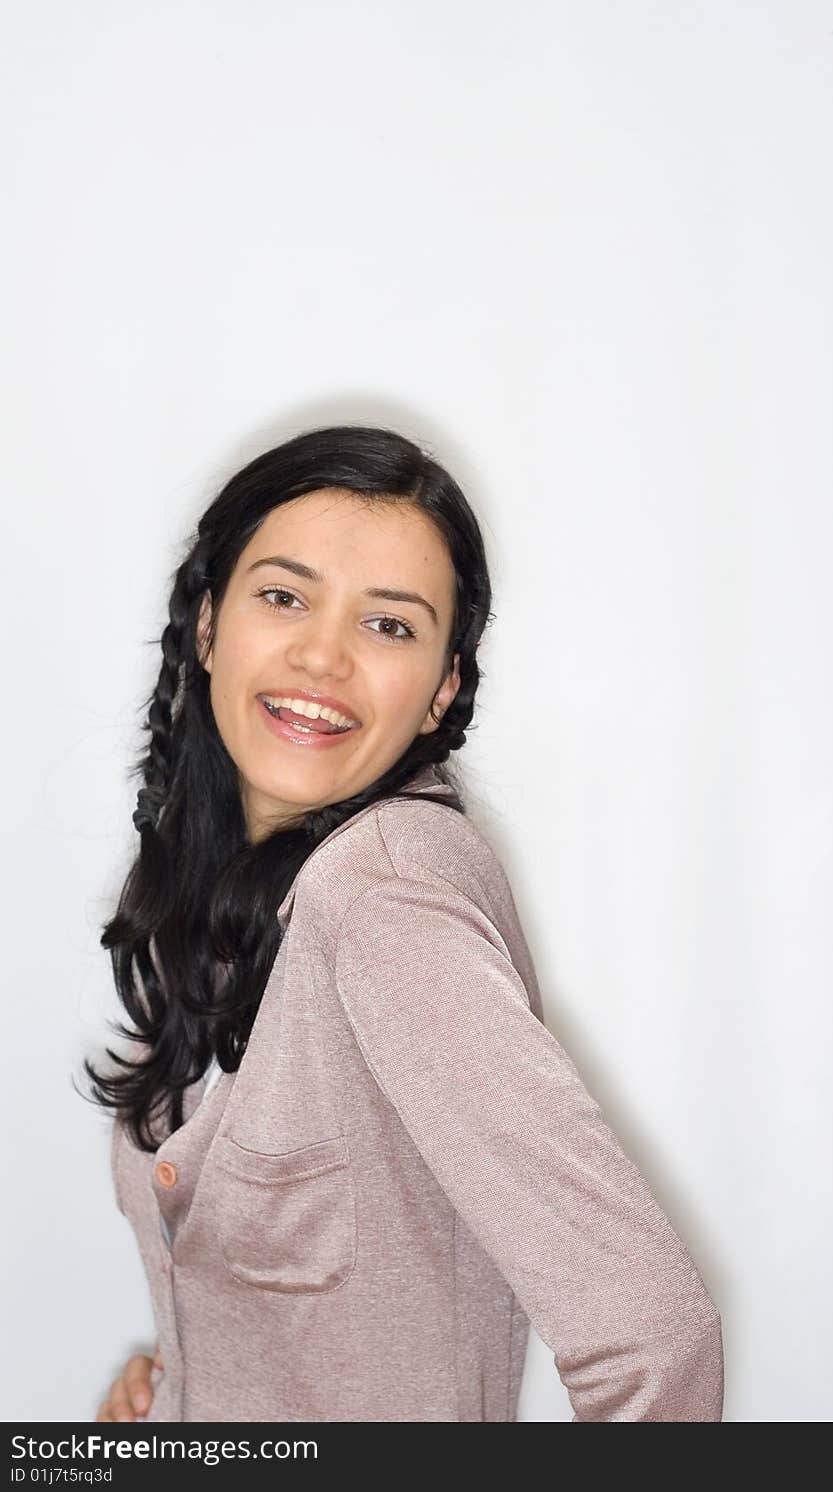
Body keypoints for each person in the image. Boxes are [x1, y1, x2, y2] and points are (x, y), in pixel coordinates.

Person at [84, 423, 724, 1422]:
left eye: (389, 625)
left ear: (441, 692)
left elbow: (652, 1332)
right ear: (209, 624)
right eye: (284, 596)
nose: (321, 656)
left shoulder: (381, 897)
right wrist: (180, 1392)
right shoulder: (229, 897)